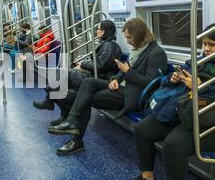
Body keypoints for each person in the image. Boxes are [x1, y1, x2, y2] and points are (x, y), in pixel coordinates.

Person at [121, 24, 215, 180]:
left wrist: (200, 86)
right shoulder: (198, 61)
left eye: (211, 45)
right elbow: (165, 82)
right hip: (184, 111)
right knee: (143, 129)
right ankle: (148, 178)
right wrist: (173, 79)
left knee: (173, 144)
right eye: (204, 44)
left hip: (207, 120)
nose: (206, 49)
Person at [50, 18, 168, 155]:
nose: (128, 41)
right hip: (121, 87)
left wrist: (127, 72)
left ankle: (76, 141)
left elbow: (150, 83)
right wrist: (115, 79)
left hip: (133, 95)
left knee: (86, 98)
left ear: (139, 35)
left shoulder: (156, 53)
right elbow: (124, 71)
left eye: (129, 38)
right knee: (88, 83)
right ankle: (71, 121)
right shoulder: (138, 49)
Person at [33, 20, 122, 126]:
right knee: (59, 89)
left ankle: (50, 101)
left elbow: (99, 66)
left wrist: (83, 64)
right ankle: (63, 114)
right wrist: (82, 65)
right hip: (92, 75)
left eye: (98, 29)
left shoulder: (111, 46)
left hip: (97, 79)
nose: (96, 31)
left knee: (57, 74)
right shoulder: (106, 44)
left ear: (103, 31)